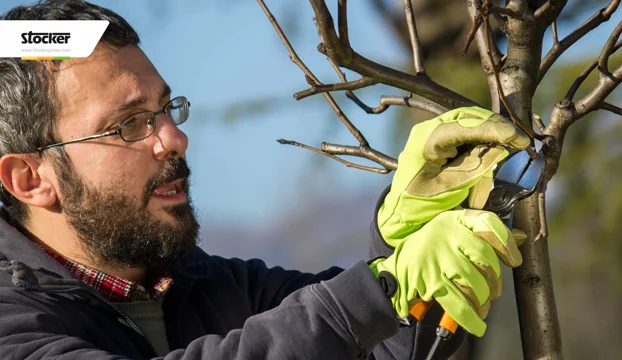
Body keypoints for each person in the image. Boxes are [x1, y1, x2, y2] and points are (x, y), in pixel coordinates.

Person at [0, 1, 531, 359]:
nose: (172, 138)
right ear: (29, 178)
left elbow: (370, 343)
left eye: (165, 109)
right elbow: (342, 315)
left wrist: (401, 235)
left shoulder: (214, 288)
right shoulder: (11, 322)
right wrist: (386, 288)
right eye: (129, 124)